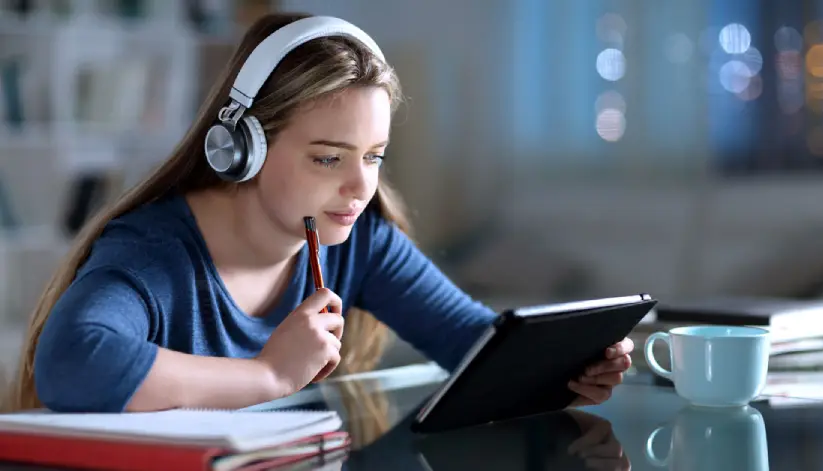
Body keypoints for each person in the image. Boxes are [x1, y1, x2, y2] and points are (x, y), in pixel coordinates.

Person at [0, 12, 634, 414]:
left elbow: (477, 347)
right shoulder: (154, 252)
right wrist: (268, 373)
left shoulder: (360, 243)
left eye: (375, 156)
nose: (360, 187)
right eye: (329, 159)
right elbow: (71, 363)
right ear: (239, 150)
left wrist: (570, 365)